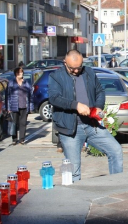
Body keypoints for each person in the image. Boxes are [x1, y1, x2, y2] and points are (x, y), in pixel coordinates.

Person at [48, 49, 123, 182]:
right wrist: (75, 105)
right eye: (72, 68)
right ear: (65, 63)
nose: (76, 71)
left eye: (79, 67)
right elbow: (54, 98)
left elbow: (100, 91)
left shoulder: (89, 72)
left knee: (116, 150)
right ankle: (76, 200)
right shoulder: (56, 76)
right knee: (74, 171)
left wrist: (98, 106)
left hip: (91, 125)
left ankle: (116, 185)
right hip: (70, 129)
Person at [5, 67, 34, 145]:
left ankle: (22, 139)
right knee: (14, 123)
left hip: (24, 106)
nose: (21, 74)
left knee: (23, 123)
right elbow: (7, 96)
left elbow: (31, 95)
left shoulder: (26, 83)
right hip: (14, 106)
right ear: (16, 74)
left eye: (22, 72)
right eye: (19, 73)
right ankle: (14, 139)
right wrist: (8, 108)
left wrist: (31, 107)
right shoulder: (11, 83)